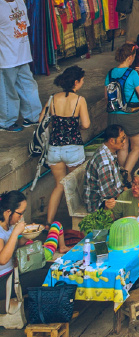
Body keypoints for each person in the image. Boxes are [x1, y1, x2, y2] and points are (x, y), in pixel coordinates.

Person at [40, 66, 91, 224]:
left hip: (54, 149)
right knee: (76, 185)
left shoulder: (52, 98)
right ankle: (77, 222)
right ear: (76, 82)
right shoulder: (80, 100)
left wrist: (55, 125)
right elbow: (86, 124)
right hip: (73, 148)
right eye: (82, 80)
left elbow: (41, 120)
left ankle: (49, 223)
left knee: (59, 186)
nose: (82, 82)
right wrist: (76, 126)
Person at [0, 0, 39, 132]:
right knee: (8, 91)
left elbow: (24, 26)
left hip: (23, 55)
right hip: (6, 58)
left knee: (29, 86)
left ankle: (33, 116)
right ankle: (6, 122)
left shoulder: (20, 2)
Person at [106, 43, 139, 172]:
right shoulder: (132, 73)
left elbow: (107, 95)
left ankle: (120, 174)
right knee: (136, 147)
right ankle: (126, 173)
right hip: (131, 115)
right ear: (130, 57)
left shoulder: (110, 73)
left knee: (122, 147)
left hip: (114, 114)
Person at [82, 125, 129, 213]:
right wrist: (127, 196)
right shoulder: (104, 162)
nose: (124, 141)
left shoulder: (107, 150)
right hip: (98, 204)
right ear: (112, 141)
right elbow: (109, 193)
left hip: (110, 195)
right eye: (122, 139)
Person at [0, 191, 27, 295]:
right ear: (8, 212)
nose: (21, 217)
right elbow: (2, 260)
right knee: (45, 275)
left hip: (13, 273)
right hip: (3, 280)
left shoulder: (9, 225)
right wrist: (15, 232)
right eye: (20, 214)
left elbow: (13, 245)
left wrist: (28, 235)